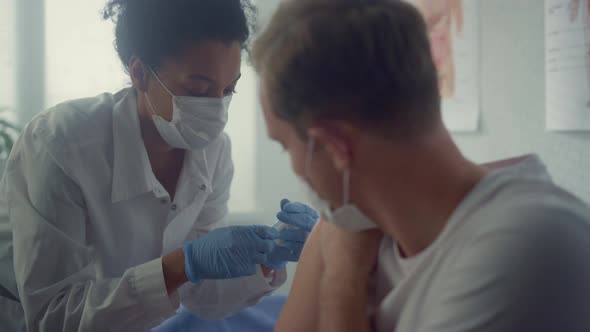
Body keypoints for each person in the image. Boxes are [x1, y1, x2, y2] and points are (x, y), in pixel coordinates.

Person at [251, 0, 590, 331]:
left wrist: (342, 284)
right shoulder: (346, 223)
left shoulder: (526, 246)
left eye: (285, 146)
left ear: (335, 145)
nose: (296, 168)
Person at [0, 0, 317, 331]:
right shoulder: (60, 144)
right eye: (198, 88)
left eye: (229, 89)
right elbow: (53, 317)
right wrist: (183, 264)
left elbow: (202, 296)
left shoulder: (214, 152)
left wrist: (266, 260)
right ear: (139, 73)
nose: (217, 108)